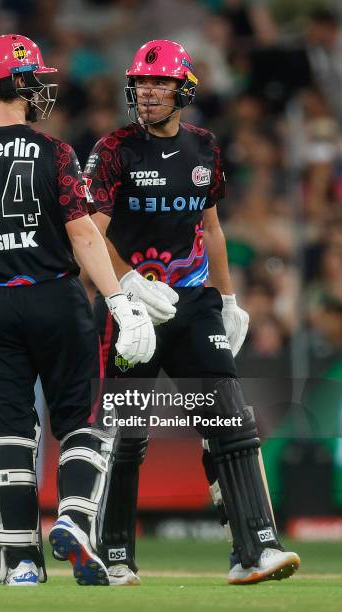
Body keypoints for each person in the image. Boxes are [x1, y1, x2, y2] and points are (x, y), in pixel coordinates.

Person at [0, 34, 156, 587]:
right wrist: (120, 301)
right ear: (18, 83)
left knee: (9, 437)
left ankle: (20, 564)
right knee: (83, 422)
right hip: (57, 298)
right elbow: (84, 237)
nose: (42, 88)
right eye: (35, 79)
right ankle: (73, 517)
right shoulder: (57, 153)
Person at [84, 39, 300, 586]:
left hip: (194, 299)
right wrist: (126, 284)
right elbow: (90, 234)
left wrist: (228, 299)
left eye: (159, 84)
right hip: (132, 309)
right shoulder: (113, 150)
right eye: (141, 83)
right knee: (126, 434)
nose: (147, 92)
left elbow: (212, 229)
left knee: (228, 417)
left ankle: (255, 550)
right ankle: (113, 557)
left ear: (185, 91)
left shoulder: (205, 147)